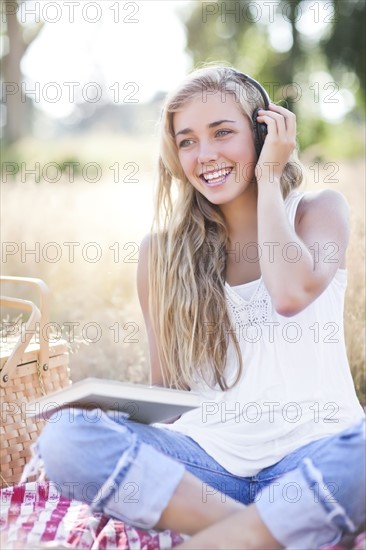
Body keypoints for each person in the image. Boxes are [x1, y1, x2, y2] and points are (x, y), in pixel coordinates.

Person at [34, 65, 365, 547]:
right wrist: (112, 412)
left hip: (313, 456)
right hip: (207, 471)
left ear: (264, 130)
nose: (204, 155)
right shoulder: (160, 255)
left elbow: (291, 294)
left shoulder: (318, 211)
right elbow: (169, 392)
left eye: (223, 132)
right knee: (65, 439)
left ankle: (237, 536)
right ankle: (263, 533)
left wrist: (269, 176)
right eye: (187, 141)